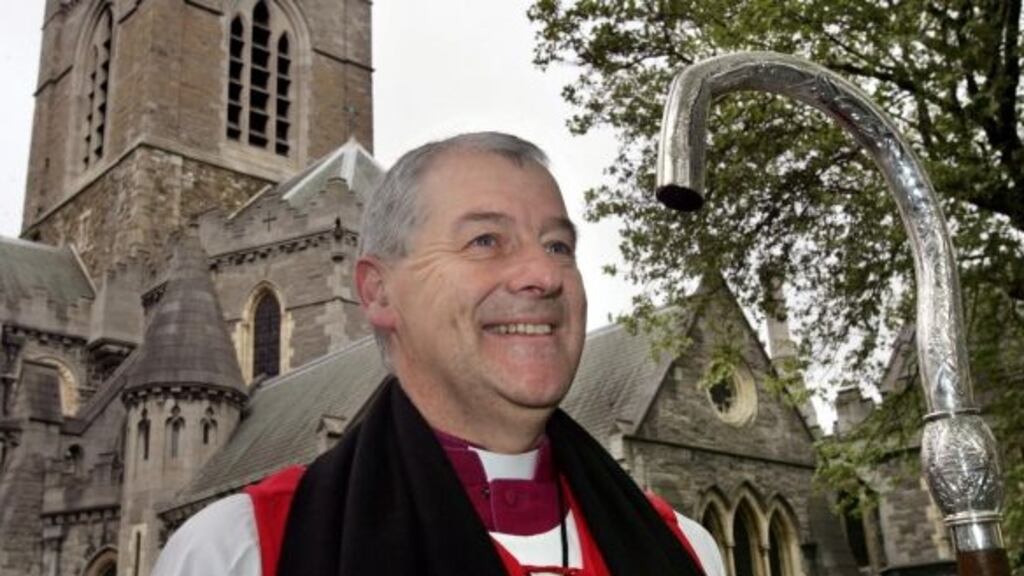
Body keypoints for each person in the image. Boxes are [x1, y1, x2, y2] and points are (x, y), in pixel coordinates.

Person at [152, 132, 726, 576]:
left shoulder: (686, 548)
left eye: (558, 246)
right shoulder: (240, 551)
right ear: (378, 291)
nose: (543, 274)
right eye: (485, 241)